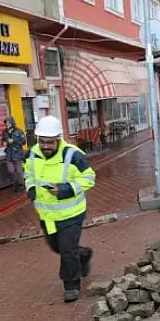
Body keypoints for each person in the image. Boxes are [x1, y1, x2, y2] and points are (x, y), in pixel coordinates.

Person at [24, 115, 96, 302]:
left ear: (58, 139)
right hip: (47, 215)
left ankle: (71, 286)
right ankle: (83, 254)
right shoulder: (31, 154)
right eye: (42, 142)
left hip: (71, 214)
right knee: (58, 247)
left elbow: (89, 178)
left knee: (66, 250)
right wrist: (31, 188)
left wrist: (65, 189)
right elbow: (29, 174)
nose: (46, 146)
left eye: (50, 142)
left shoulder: (73, 155)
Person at [1, 116, 27, 192]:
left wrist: (14, 140)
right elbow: (2, 141)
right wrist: (4, 143)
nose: (7, 124)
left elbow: (23, 141)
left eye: (8, 123)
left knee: (19, 171)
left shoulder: (19, 131)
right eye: (6, 123)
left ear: (12, 123)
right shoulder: (4, 132)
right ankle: (16, 183)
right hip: (9, 154)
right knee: (11, 171)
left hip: (18, 154)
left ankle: (21, 185)